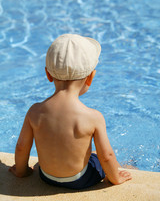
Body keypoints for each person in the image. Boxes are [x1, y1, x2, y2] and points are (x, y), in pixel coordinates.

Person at [9, 34, 132, 189]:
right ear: (90, 78)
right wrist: (115, 178)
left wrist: (22, 172)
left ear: (48, 74)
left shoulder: (35, 111)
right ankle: (129, 166)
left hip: (46, 177)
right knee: (96, 157)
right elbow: (107, 156)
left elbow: (21, 146)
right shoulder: (93, 117)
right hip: (80, 180)